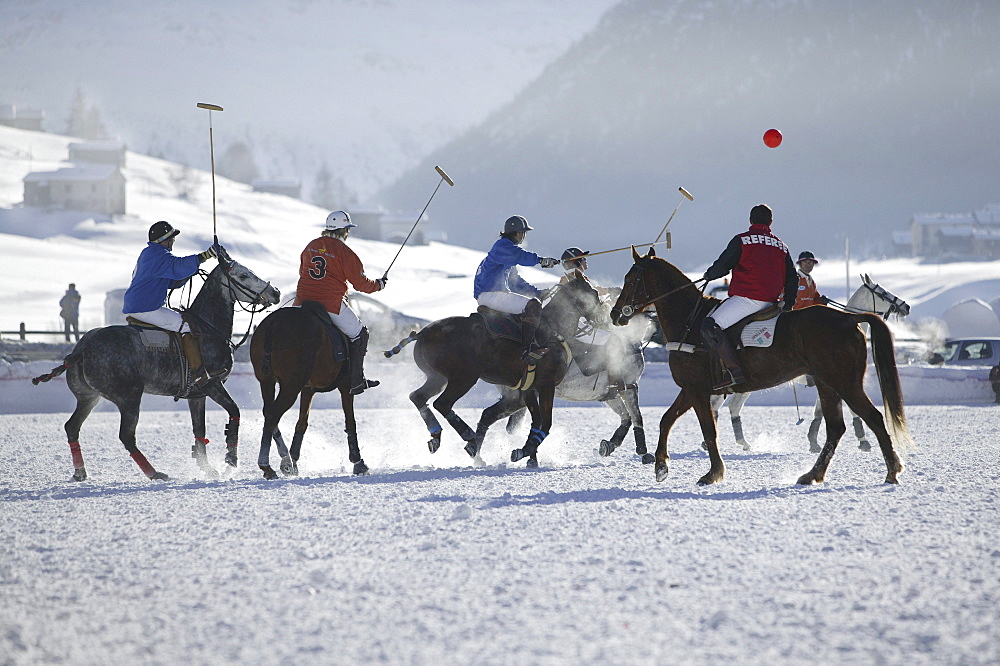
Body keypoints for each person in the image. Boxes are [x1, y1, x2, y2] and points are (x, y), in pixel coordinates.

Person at [702, 204, 798, 389]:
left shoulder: (742, 240)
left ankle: (734, 371)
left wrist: (709, 275)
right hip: (771, 303)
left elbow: (723, 266)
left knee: (710, 325)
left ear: (750, 221)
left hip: (748, 299)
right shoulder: (782, 246)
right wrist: (789, 303)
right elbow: (792, 278)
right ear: (770, 222)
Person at [294, 210, 386, 395]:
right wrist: (379, 285)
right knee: (360, 334)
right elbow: (361, 284)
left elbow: (302, 271)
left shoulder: (311, 246)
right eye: (347, 230)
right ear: (344, 230)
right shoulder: (345, 252)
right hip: (330, 304)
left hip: (301, 302)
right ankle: (356, 381)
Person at [122, 221, 220, 389]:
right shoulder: (158, 255)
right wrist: (205, 256)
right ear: (164, 239)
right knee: (187, 326)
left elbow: (170, 279)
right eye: (172, 238)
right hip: (145, 308)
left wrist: (190, 271)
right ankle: (198, 373)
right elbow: (177, 266)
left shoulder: (150, 254)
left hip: (138, 306)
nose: (173, 241)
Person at [473, 215, 559, 362]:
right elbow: (520, 255)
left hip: (491, 294)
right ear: (519, 233)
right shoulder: (502, 247)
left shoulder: (505, 256)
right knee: (533, 306)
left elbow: (516, 283)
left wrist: (538, 293)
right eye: (524, 233)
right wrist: (540, 260)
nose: (523, 237)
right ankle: (528, 348)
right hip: (490, 295)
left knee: (532, 303)